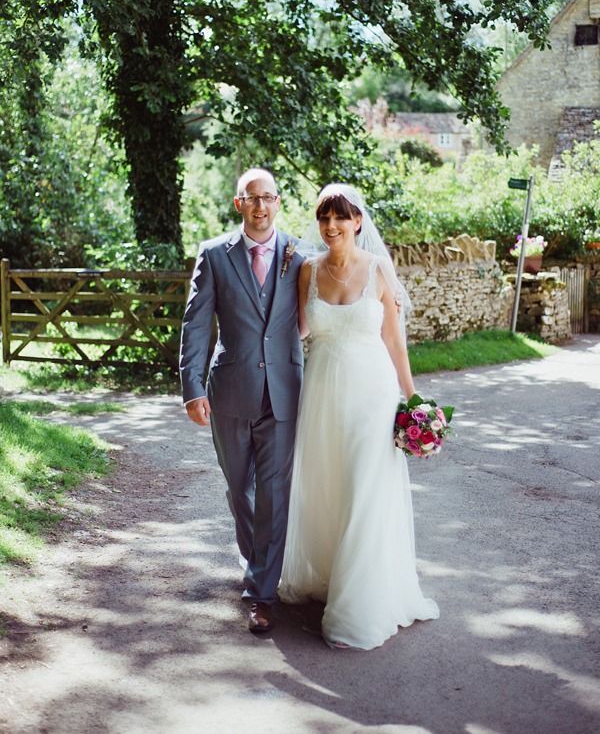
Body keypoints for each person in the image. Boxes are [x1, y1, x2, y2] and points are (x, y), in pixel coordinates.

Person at [279, 183, 439, 650]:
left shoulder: (379, 269)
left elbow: (395, 343)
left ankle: (361, 602)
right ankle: (332, 573)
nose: (331, 227)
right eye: (325, 218)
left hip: (373, 397)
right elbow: (300, 331)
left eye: (340, 218)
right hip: (324, 396)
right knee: (330, 487)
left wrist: (415, 404)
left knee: (366, 492)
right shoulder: (307, 270)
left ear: (358, 222)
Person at [180, 168, 305, 633]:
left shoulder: (300, 255)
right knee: (239, 489)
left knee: (274, 494)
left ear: (277, 202)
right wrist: (192, 388)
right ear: (239, 205)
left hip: (284, 393)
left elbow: (330, 299)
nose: (260, 207)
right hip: (229, 392)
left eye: (268, 198)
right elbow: (195, 326)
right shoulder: (214, 255)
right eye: (251, 199)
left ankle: (260, 593)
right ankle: (259, 565)